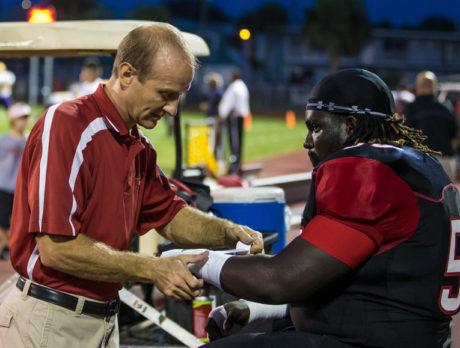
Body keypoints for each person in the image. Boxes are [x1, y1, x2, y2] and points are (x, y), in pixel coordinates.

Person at [0, 23, 263, 348]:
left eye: (178, 96)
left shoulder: (137, 146)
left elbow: (170, 215)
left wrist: (228, 232)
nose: (172, 109)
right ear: (126, 75)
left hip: (103, 318)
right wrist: (153, 269)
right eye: (165, 94)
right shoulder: (69, 124)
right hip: (50, 319)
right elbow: (56, 249)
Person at [165, 69, 460, 347]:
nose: (308, 142)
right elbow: (358, 291)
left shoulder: (368, 170)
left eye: (317, 127)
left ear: (351, 126)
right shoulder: (422, 167)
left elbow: (280, 279)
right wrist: (257, 311)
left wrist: (188, 260)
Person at [404, 70, 458, 181]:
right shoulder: (446, 108)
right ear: (435, 86)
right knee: (448, 197)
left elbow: (406, 137)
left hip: (420, 160)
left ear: (418, 86)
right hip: (445, 161)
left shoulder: (411, 108)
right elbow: (455, 140)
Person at [0, 102, 30, 259]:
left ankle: (15, 246)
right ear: (13, 120)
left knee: (20, 220)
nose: (23, 122)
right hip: (4, 186)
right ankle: (5, 245)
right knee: (3, 219)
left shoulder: (30, 139)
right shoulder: (4, 140)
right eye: (20, 118)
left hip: (21, 187)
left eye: (25, 118)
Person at [218, 70, 250, 174]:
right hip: (238, 116)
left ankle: (234, 165)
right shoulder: (241, 86)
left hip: (234, 117)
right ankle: (237, 163)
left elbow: (231, 104)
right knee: (237, 141)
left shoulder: (235, 87)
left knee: (234, 142)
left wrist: (224, 116)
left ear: (234, 76)